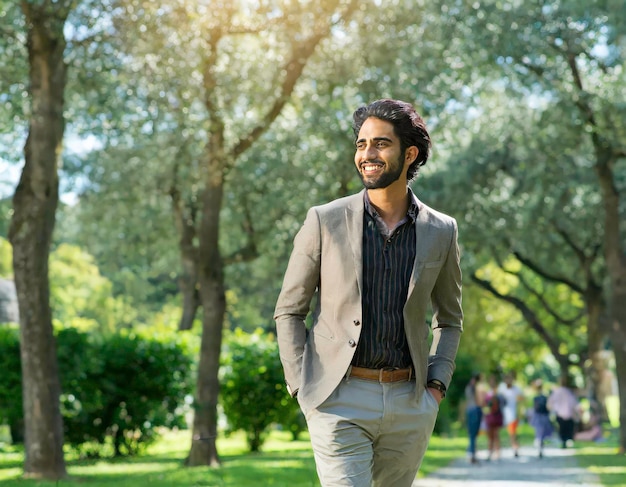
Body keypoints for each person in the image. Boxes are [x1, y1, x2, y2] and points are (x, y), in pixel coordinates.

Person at [274, 99, 463, 487]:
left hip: (409, 400)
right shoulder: (324, 220)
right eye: (361, 145)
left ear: (409, 154)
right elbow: (289, 310)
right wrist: (300, 385)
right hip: (336, 397)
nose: (367, 155)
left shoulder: (442, 231)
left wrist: (436, 387)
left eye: (380, 144)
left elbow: (450, 318)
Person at [547, 376, 578, 448]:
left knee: (562, 429)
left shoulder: (557, 392)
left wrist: (553, 409)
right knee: (567, 429)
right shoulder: (569, 392)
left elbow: (550, 403)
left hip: (560, 414)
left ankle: (563, 441)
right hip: (568, 414)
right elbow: (573, 403)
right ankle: (566, 441)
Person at [498, 372, 523, 457]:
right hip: (503, 413)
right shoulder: (502, 388)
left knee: (513, 432)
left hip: (513, 414)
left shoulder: (516, 389)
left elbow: (521, 400)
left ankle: (515, 447)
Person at [528, 379, 553, 458]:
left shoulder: (537, 397)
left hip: (540, 416)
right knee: (540, 433)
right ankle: (540, 446)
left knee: (539, 432)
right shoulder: (543, 397)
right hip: (542, 416)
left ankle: (540, 446)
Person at [465, 372, 485, 464]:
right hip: (475, 411)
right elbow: (480, 401)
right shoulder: (475, 388)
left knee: (472, 434)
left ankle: (471, 453)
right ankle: (472, 454)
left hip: (470, 410)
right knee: (473, 434)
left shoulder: (469, 387)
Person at [483, 374, 504, 461]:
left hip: (496, 415)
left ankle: (497, 452)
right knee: (490, 435)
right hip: (489, 415)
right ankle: (490, 452)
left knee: (496, 434)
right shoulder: (487, 393)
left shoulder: (498, 393)